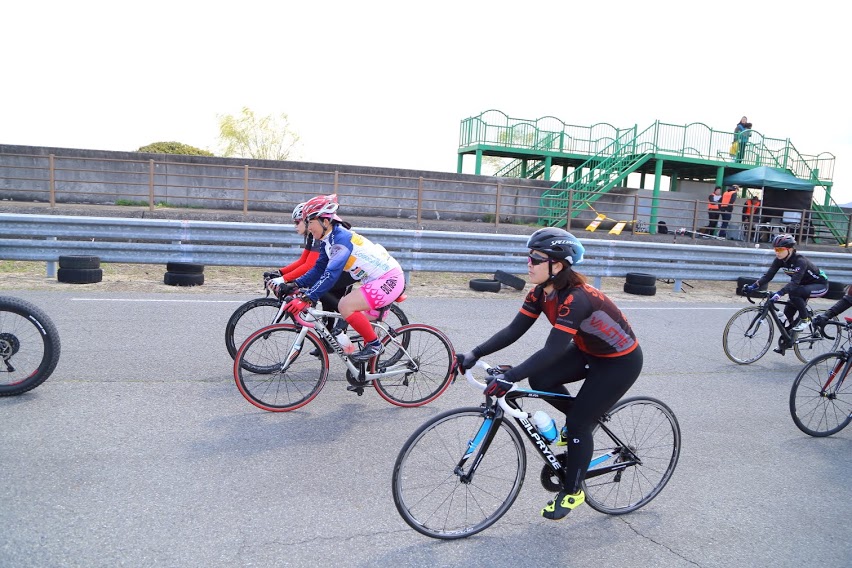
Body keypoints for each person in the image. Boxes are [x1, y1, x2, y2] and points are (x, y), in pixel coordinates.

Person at [456, 228, 642, 521]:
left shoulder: (577, 299)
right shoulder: (540, 292)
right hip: (587, 351)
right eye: (529, 256)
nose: (529, 262)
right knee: (541, 380)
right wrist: (475, 353)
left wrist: (510, 376)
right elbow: (514, 330)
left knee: (579, 423)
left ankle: (573, 491)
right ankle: (582, 420)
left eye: (536, 258)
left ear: (558, 265)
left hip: (620, 362)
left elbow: (552, 350)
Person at [274, 194, 405, 361]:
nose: (308, 226)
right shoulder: (327, 240)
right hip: (373, 281)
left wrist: (307, 297)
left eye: (310, 222)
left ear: (325, 221)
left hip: (388, 279)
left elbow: (331, 274)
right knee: (354, 322)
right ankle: (364, 374)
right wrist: (295, 284)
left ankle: (375, 345)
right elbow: (318, 269)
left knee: (345, 306)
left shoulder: (341, 240)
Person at [266, 202, 357, 336]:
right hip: (335, 270)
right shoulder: (312, 236)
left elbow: (310, 265)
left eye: (298, 222)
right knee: (325, 301)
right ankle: (329, 340)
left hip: (347, 270)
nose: (295, 226)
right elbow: (303, 261)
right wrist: (280, 273)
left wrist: (285, 279)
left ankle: (346, 318)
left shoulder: (320, 235)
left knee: (322, 291)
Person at [743, 234, 829, 352]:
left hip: (820, 285)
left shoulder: (800, 261)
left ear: (789, 249)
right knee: (786, 317)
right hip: (801, 286)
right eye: (775, 249)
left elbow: (794, 283)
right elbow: (768, 276)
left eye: (779, 250)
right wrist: (753, 286)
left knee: (794, 293)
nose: (777, 252)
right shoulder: (780, 260)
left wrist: (780, 293)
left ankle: (805, 319)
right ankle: (787, 342)